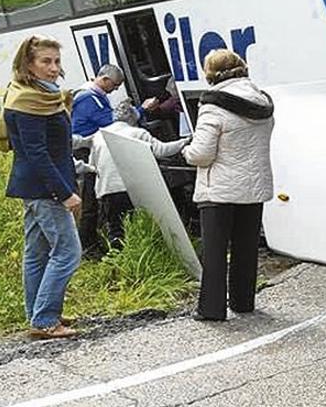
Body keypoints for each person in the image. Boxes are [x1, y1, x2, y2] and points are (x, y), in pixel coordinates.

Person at [0, 35, 81, 339]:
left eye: (56, 61)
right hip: (45, 189)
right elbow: (37, 154)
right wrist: (65, 193)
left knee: (37, 253)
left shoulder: (44, 95)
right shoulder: (28, 102)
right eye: (45, 61)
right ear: (28, 64)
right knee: (69, 253)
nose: (54, 68)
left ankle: (39, 313)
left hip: (35, 186)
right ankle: (45, 319)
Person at [182, 49, 274, 321]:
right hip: (253, 187)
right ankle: (243, 302)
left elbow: (202, 154)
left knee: (215, 252)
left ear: (211, 74)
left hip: (219, 191)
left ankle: (211, 310)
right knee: (246, 248)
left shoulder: (213, 106)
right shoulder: (262, 101)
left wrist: (186, 150)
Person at [72, 64, 158, 257]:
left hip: (89, 149)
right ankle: (88, 246)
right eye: (116, 84)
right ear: (105, 80)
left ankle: (93, 242)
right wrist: (140, 110)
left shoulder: (93, 96)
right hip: (86, 152)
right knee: (90, 201)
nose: (116, 89)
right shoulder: (88, 98)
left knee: (94, 199)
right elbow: (110, 122)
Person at [89, 100, 190, 247]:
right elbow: (162, 151)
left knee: (117, 229)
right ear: (133, 118)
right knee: (143, 225)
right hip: (133, 187)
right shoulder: (137, 133)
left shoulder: (99, 135)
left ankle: (119, 259)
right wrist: (185, 141)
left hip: (108, 189)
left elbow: (92, 165)